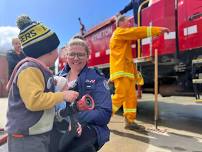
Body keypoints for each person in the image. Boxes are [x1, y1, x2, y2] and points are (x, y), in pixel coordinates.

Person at [6, 15, 79, 152]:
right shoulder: (29, 70)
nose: (58, 53)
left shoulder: (40, 70)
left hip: (36, 133)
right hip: (25, 137)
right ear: (48, 50)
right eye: (56, 49)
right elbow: (34, 101)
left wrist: (56, 82)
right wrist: (62, 95)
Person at [50, 38, 112, 152]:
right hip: (60, 123)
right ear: (66, 55)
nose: (76, 58)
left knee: (73, 146)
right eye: (72, 54)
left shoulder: (96, 78)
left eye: (81, 55)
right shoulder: (57, 78)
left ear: (87, 56)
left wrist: (73, 118)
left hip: (91, 127)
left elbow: (104, 114)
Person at [109, 15, 169, 130]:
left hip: (127, 72)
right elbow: (136, 32)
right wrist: (157, 30)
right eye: (128, 22)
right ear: (120, 23)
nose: (130, 24)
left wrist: (135, 74)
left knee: (131, 97)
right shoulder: (119, 33)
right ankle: (100, 117)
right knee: (120, 97)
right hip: (121, 72)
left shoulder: (124, 39)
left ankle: (130, 122)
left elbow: (127, 58)